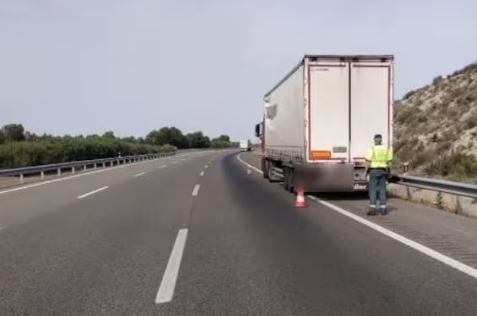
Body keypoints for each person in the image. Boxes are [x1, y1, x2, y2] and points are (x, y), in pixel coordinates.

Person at [365, 134, 393, 215]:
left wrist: (365, 172)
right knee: (382, 190)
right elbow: (389, 162)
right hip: (383, 171)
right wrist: (389, 172)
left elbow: (368, 161)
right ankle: (383, 209)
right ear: (381, 140)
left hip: (374, 171)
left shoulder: (372, 148)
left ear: (374, 140)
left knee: (373, 190)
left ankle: (372, 210)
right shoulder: (386, 148)